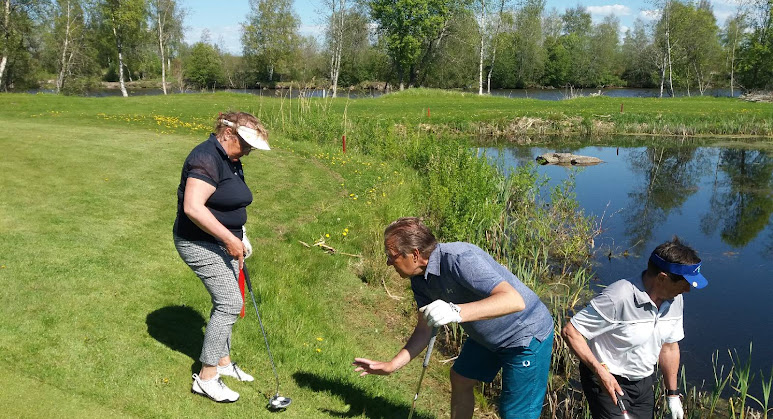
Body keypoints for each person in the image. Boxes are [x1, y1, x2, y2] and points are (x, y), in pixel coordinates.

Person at [353, 217, 554, 419]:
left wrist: (455, 311)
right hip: (487, 336)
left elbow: (514, 301)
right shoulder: (419, 279)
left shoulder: (460, 258)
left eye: (391, 255)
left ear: (414, 254)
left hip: (526, 335)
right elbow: (424, 329)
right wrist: (391, 366)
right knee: (461, 379)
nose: (388, 262)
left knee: (515, 414)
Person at [173, 111, 270, 403]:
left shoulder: (231, 158)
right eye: (246, 143)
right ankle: (206, 377)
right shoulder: (205, 158)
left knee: (226, 303)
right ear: (227, 134)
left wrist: (241, 235)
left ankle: (224, 363)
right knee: (230, 302)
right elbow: (193, 207)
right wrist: (229, 238)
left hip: (225, 240)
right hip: (198, 242)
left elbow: (230, 202)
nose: (249, 150)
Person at [562, 237, 709, 419]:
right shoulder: (619, 297)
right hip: (609, 380)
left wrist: (672, 395)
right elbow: (571, 331)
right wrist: (600, 372)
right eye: (685, 283)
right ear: (663, 278)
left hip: (643, 382)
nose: (687, 290)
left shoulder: (675, 299)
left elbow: (669, 347)